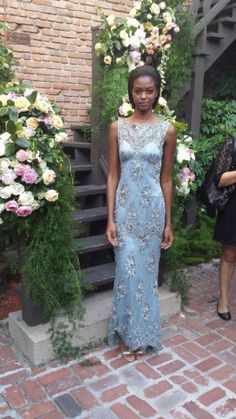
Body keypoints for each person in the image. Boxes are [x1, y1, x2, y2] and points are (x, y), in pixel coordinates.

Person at [106, 65, 177, 361]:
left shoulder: (167, 129)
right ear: (131, 91)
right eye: (138, 91)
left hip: (152, 213)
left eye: (149, 91)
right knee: (126, 272)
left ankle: (142, 336)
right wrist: (109, 217)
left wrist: (169, 222)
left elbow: (166, 179)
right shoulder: (116, 127)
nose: (143, 96)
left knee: (145, 276)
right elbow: (112, 174)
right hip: (124, 210)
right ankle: (126, 333)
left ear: (157, 92)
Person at [213, 137, 236, 321]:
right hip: (233, 206)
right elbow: (219, 179)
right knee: (229, 254)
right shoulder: (232, 144)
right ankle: (223, 300)